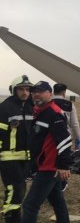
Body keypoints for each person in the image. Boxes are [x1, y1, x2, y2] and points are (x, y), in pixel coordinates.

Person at [21, 81, 73, 223]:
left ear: (50, 94)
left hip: (48, 167)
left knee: (30, 205)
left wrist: (64, 165)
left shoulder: (54, 113)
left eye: (41, 91)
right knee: (57, 201)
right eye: (34, 91)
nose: (36, 94)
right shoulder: (40, 111)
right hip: (45, 165)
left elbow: (65, 139)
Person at [0, 75, 34, 223]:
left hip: (25, 158)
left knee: (20, 190)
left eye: (27, 89)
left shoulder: (31, 107)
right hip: (9, 158)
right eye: (21, 89)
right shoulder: (4, 108)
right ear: (13, 90)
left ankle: (15, 217)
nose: (25, 92)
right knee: (13, 190)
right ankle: (10, 218)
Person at [53, 83, 80, 150]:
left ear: (54, 92)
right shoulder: (70, 105)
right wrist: (78, 137)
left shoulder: (48, 104)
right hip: (66, 136)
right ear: (64, 92)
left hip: (51, 136)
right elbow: (75, 123)